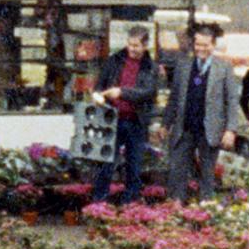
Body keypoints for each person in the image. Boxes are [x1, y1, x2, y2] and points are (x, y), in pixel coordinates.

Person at [161, 24, 238, 202]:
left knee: (207, 174)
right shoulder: (183, 65)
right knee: (177, 171)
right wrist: (166, 124)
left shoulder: (224, 67)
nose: (201, 49)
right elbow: (174, 98)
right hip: (185, 128)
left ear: (213, 45)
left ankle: (205, 209)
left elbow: (232, 101)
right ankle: (176, 207)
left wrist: (230, 130)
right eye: (198, 44)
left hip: (210, 130)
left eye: (205, 45)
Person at [92, 25, 158, 204]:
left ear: (145, 46)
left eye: (136, 46)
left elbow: (148, 92)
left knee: (134, 166)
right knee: (105, 163)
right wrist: (98, 94)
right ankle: (99, 203)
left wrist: (122, 93)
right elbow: (100, 84)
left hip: (136, 121)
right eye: (130, 44)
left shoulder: (150, 67)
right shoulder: (115, 60)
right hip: (112, 119)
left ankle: (129, 205)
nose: (132, 49)